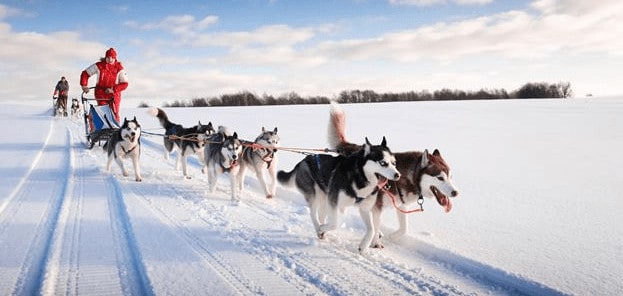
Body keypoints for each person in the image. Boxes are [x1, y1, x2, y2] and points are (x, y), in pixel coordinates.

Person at [80, 47, 128, 122]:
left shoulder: (119, 68)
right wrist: (84, 85)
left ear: (115, 58)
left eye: (112, 57)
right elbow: (85, 74)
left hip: (114, 94)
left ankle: (115, 130)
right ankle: (103, 131)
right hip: (101, 93)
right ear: (105, 57)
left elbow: (125, 84)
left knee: (114, 113)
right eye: (108, 57)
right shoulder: (99, 66)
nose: (110, 59)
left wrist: (113, 90)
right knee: (103, 112)